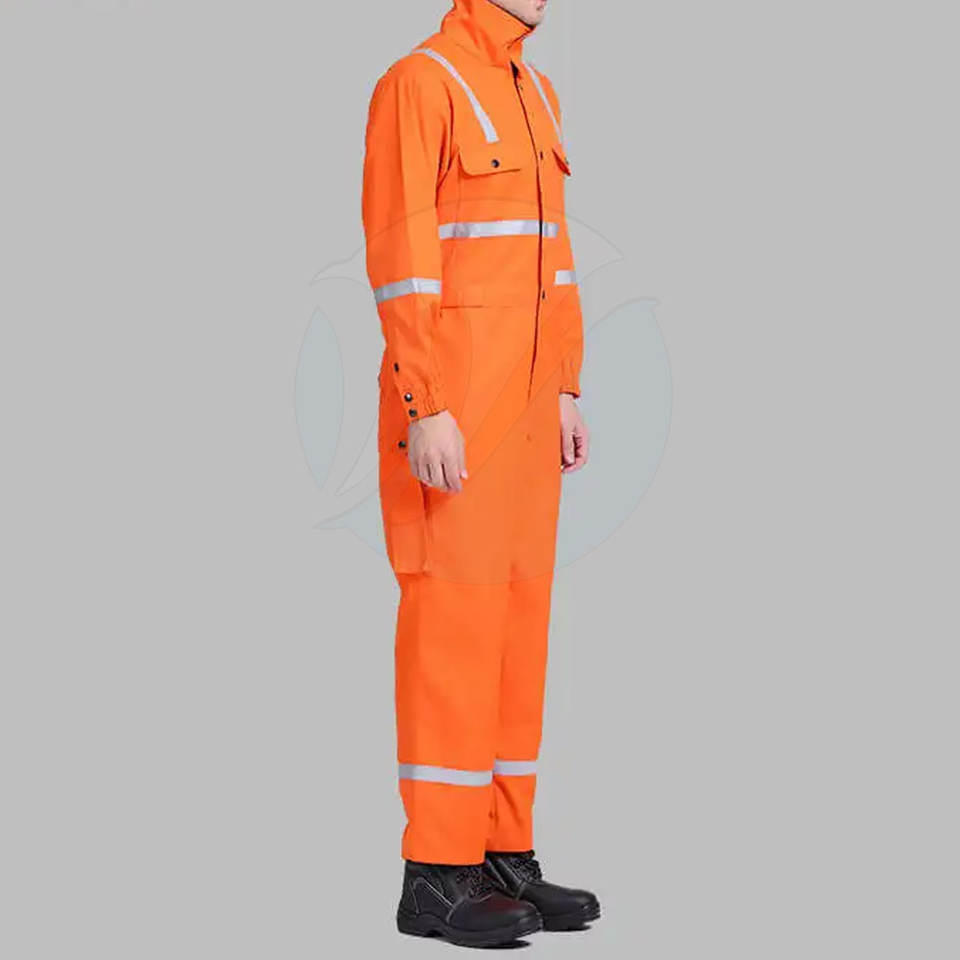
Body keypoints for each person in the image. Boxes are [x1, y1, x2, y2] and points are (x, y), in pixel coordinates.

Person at [362, 0, 598, 946]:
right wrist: (424, 402)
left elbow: (555, 263)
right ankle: (436, 874)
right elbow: (402, 257)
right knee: (453, 640)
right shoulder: (422, 83)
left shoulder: (535, 90)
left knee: (516, 638)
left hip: (530, 413)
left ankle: (503, 854)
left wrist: (567, 386)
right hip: (455, 411)